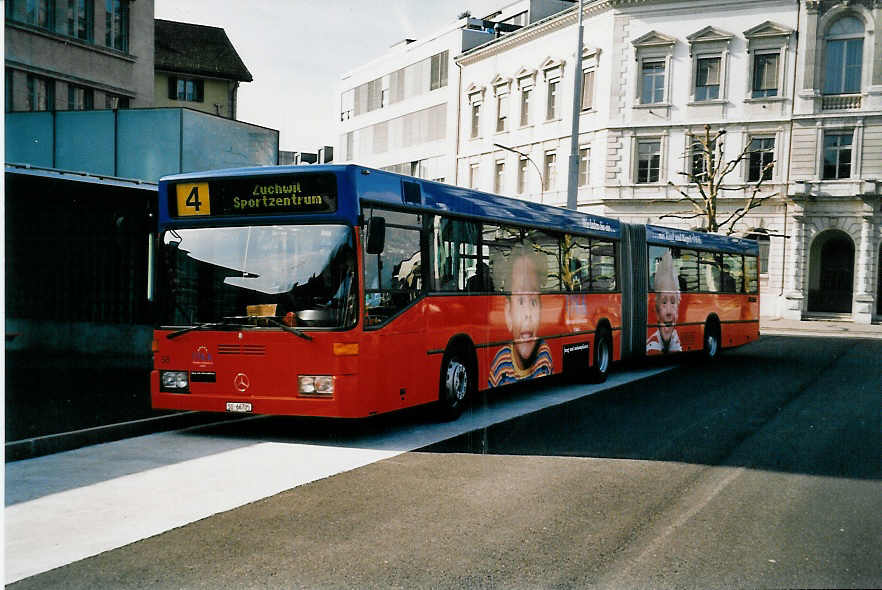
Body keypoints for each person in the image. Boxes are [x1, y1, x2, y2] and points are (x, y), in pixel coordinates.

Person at [489, 244, 553, 386]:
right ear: (508, 314)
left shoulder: (544, 354)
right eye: (521, 301)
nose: (528, 314)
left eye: (533, 302)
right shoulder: (500, 365)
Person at [647, 250, 682, 354]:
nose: (669, 312)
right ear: (656, 308)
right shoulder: (650, 345)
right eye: (664, 302)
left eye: (673, 302)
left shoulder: (678, 343)